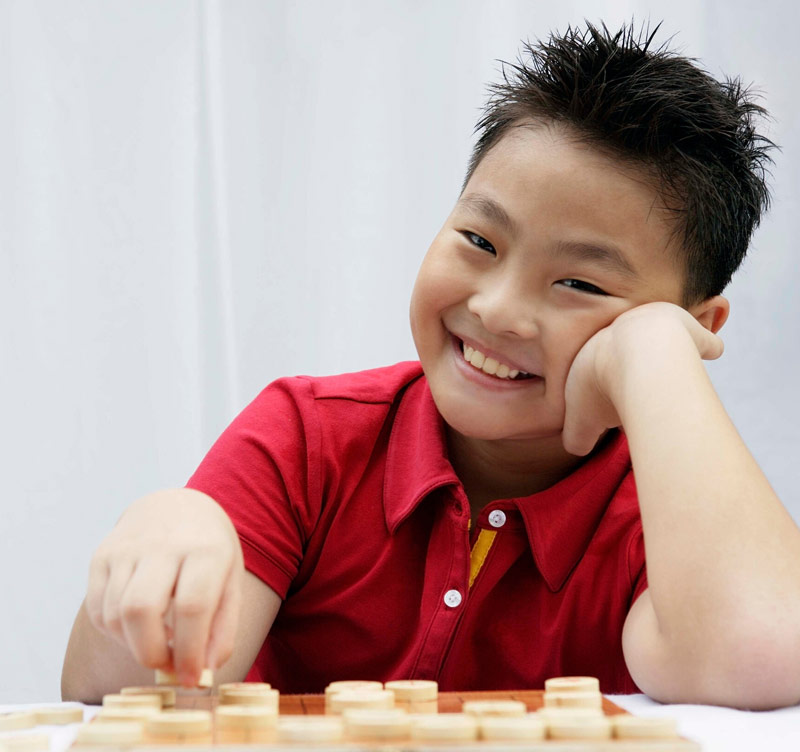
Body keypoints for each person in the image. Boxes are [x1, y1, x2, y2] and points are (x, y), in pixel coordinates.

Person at [62, 22, 800, 709]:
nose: (498, 310)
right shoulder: (308, 439)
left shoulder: (672, 526)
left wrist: (655, 357)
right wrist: (164, 536)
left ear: (695, 325)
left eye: (580, 283)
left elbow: (760, 653)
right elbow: (137, 697)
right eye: (480, 240)